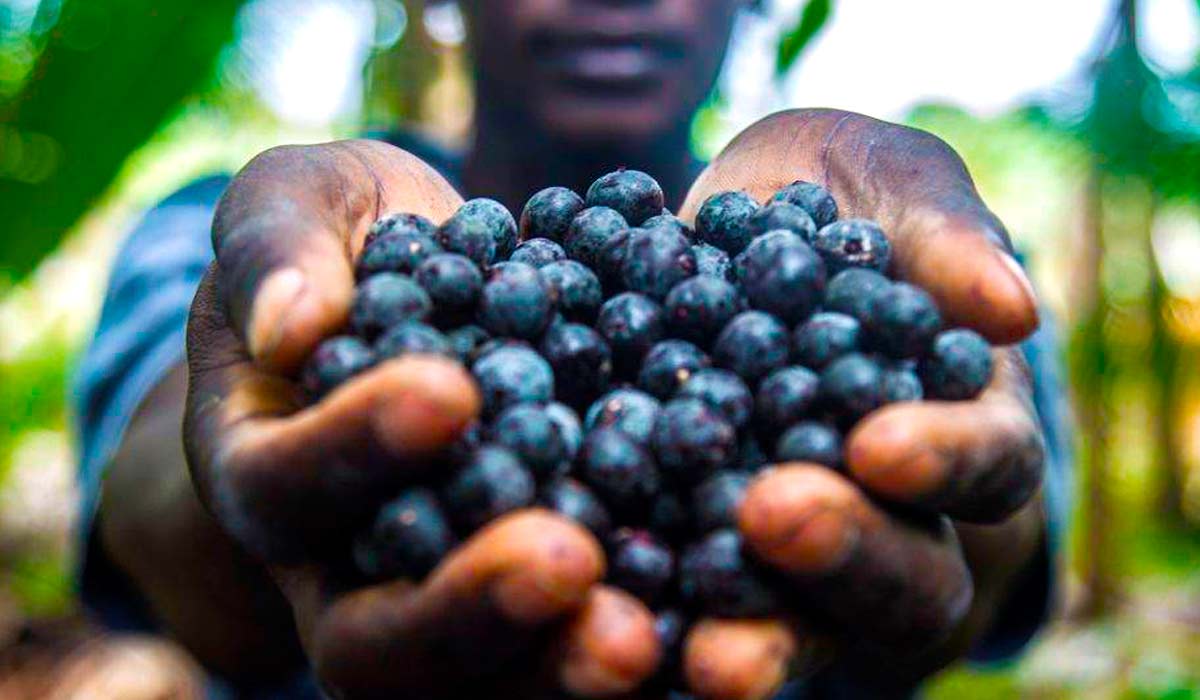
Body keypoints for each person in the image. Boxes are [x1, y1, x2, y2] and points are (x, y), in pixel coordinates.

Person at [74, 1, 1072, 698]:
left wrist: (941, 501)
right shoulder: (209, 225)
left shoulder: (913, 252)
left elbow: (993, 530)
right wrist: (280, 459)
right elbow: (152, 492)